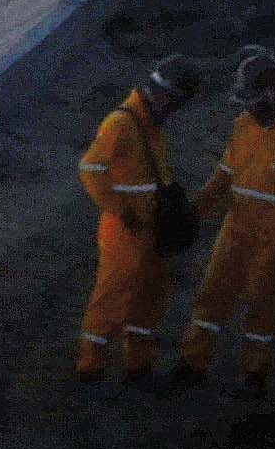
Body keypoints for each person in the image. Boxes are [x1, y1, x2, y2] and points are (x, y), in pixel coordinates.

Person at [171, 50, 275, 388]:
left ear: (272, 93)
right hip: (236, 230)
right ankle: (191, 365)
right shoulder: (242, 126)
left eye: (253, 98)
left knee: (261, 304)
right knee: (211, 296)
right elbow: (222, 177)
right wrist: (193, 213)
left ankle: (254, 374)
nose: (248, 107)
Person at [77, 57, 196, 381]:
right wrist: (120, 208)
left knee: (150, 296)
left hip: (150, 228)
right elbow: (90, 168)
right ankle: (90, 367)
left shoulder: (147, 125)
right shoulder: (121, 124)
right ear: (163, 96)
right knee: (113, 295)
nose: (174, 111)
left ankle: (138, 365)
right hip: (126, 229)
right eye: (174, 103)